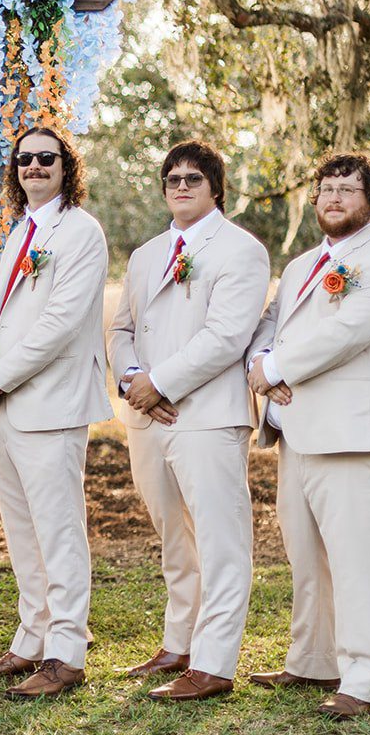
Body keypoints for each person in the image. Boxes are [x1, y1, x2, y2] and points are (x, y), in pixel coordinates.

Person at [244, 153, 370, 721]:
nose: (335, 198)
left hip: (356, 436)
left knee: (360, 561)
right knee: (307, 557)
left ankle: (362, 679)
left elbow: (345, 334)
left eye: (349, 188)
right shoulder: (300, 266)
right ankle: (314, 657)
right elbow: (269, 328)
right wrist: (262, 361)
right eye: (326, 189)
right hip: (297, 434)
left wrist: (274, 372)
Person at [108, 140, 269, 702]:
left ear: (215, 188)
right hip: (148, 416)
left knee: (222, 541)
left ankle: (215, 663)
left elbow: (226, 336)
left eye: (192, 178)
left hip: (208, 415)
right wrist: (132, 381)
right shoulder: (146, 255)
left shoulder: (241, 250)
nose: (180, 185)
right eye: (172, 178)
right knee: (173, 536)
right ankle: (178, 643)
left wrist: (163, 382)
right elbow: (122, 329)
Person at [0, 126, 110, 699]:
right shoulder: (21, 230)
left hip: (51, 401)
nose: (34, 167)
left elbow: (60, 323)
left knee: (59, 530)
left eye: (47, 158)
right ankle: (31, 638)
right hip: (8, 405)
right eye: (24, 160)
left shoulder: (81, 232)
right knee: (22, 530)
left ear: (65, 167)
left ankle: (67, 652)